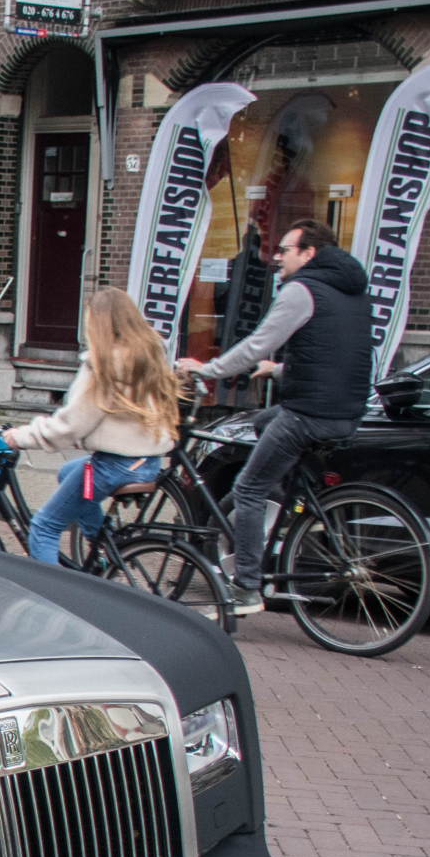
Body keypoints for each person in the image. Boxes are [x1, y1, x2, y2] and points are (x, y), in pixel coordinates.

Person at [177, 216, 373, 613]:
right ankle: (282, 511)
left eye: (285, 250)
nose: (276, 258)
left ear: (309, 253)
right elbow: (336, 357)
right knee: (261, 424)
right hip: (344, 411)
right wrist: (280, 369)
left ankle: (246, 588)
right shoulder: (352, 292)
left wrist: (207, 369)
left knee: (250, 488)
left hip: (308, 413)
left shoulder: (303, 290)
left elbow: (256, 344)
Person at [1, 288, 182, 564]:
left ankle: (50, 601)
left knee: (44, 526)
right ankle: (103, 547)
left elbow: (71, 425)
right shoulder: (148, 355)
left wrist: (20, 437)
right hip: (147, 461)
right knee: (68, 471)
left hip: (114, 465)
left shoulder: (105, 363)